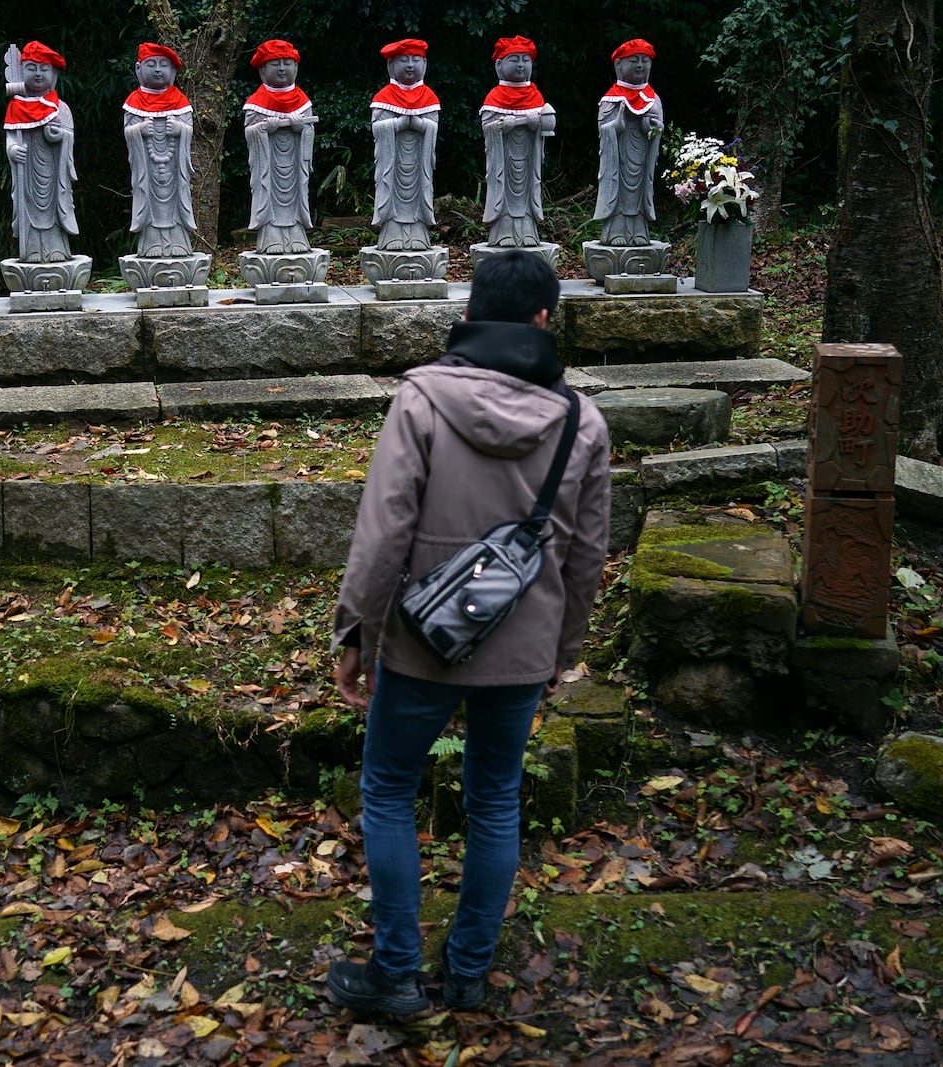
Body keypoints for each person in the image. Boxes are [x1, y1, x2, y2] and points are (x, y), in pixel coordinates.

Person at [325, 251, 612, 1015]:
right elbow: (587, 556)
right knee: (493, 800)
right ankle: (468, 973)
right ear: (545, 318)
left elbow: (384, 532)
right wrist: (565, 648)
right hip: (522, 648)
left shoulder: (421, 399)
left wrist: (357, 630)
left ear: (470, 311)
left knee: (387, 789)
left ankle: (395, 972)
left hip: (421, 640)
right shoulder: (582, 421)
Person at [3, 41, 78, 263]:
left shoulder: (60, 108)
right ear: (21, 71)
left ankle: (57, 249)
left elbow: (69, 135)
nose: (38, 74)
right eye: (31, 68)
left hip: (54, 176)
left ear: (53, 74)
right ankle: (31, 251)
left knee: (54, 209)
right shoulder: (16, 107)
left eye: (43, 69)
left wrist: (61, 135)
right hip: (27, 177)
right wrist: (12, 149)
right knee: (29, 208)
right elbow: (10, 136)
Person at [123, 42, 198, 258]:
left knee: (176, 201)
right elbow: (128, 132)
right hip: (147, 172)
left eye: (163, 65)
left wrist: (180, 130)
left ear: (172, 71)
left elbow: (188, 130)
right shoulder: (133, 103)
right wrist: (138, 130)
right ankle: (151, 245)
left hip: (174, 171)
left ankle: (179, 244)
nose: (157, 69)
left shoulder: (180, 102)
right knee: (148, 199)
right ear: (139, 69)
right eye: (152, 64)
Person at [480, 37, 555, 248]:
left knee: (525, 192)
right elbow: (487, 127)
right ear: (499, 65)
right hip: (504, 161)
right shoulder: (494, 97)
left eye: (525, 59)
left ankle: (528, 232)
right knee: (505, 193)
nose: (521, 64)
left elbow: (547, 126)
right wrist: (502, 126)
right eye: (514, 59)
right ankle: (503, 233)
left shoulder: (536, 96)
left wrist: (536, 124)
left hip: (528, 161)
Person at [244, 39, 317, 255]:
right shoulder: (256, 102)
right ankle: (270, 239)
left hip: (294, 168)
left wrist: (300, 129)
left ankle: (297, 236)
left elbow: (310, 130)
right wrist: (264, 129)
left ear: (296, 67)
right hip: (269, 169)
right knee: (268, 195)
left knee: (295, 195)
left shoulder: (303, 102)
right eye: (276, 64)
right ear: (262, 70)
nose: (283, 68)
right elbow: (249, 132)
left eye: (288, 63)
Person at [370, 39, 440, 252]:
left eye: (415, 60)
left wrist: (420, 125)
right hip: (393, 166)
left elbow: (433, 128)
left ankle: (419, 235)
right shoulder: (384, 98)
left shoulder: (429, 97)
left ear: (425, 65)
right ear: (391, 66)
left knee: (421, 191)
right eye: (404, 60)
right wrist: (397, 124)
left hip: (419, 167)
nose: (410, 65)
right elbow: (377, 128)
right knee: (391, 193)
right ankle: (391, 235)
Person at [594, 39, 663, 247]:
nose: (640, 66)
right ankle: (615, 231)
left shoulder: (653, 99)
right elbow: (603, 128)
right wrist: (615, 126)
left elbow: (658, 127)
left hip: (642, 158)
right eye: (634, 60)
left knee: (640, 189)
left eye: (645, 61)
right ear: (618, 65)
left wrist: (650, 127)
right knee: (619, 188)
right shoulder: (611, 99)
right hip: (618, 159)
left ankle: (639, 231)